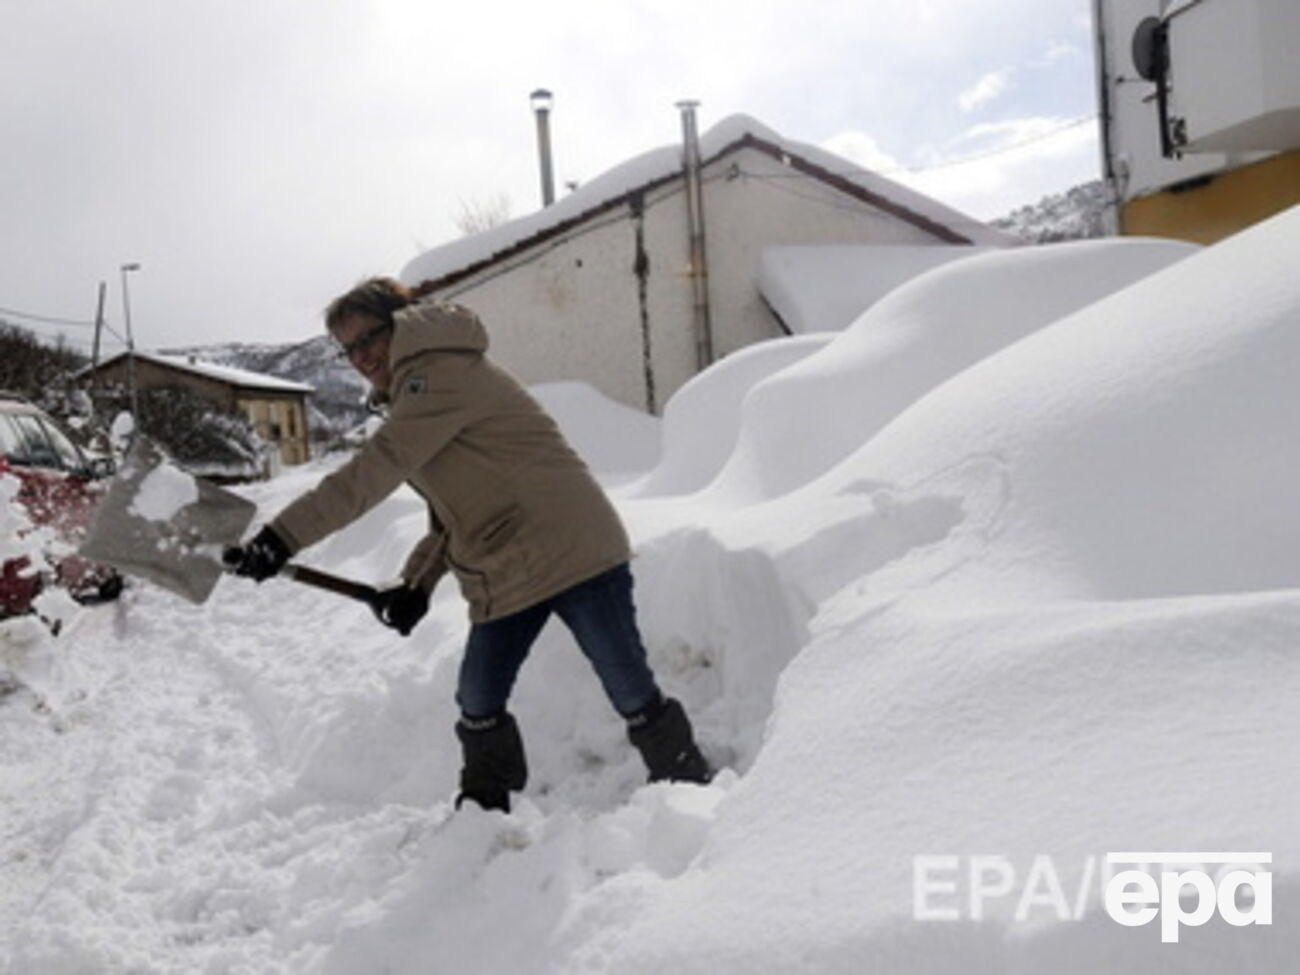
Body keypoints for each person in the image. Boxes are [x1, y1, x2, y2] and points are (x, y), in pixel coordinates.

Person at [224, 278, 711, 812]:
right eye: (350, 349)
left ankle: (686, 783)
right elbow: (448, 519)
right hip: (507, 567)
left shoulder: (437, 375)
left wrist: (280, 538)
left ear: (401, 323)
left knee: (628, 685)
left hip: (573, 550)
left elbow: (371, 473)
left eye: (370, 338)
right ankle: (486, 804)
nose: (362, 357)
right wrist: (417, 584)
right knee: (477, 697)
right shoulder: (416, 392)